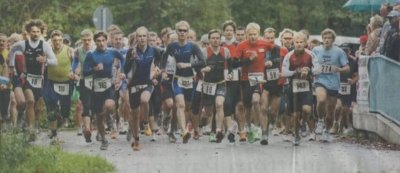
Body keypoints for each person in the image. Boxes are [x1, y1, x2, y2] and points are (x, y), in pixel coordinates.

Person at [8, 19, 57, 139]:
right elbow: (12, 50)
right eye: (33, 32)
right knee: (29, 101)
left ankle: (31, 124)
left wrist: (45, 60)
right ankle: (31, 130)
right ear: (28, 32)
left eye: (38, 32)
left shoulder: (44, 45)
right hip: (27, 78)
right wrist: (11, 66)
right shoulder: (23, 44)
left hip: (40, 79)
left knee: (37, 107)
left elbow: (55, 61)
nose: (35, 34)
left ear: (41, 33)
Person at [161, 21, 205, 144]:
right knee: (180, 105)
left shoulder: (193, 46)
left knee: (187, 107)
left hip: (191, 80)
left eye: (184, 30)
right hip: (177, 79)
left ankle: (173, 129)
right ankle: (184, 131)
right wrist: (163, 70)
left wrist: (188, 64)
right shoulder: (172, 46)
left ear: (187, 32)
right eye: (180, 30)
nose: (182, 32)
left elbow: (203, 62)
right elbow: (164, 57)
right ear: (176, 31)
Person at [83, 31, 124, 150]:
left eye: (103, 41)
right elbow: (85, 72)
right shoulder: (91, 55)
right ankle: (104, 140)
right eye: (98, 41)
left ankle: (109, 119)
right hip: (96, 88)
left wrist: (122, 73)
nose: (101, 43)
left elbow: (123, 60)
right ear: (95, 42)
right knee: (99, 116)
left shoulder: (112, 52)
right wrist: (94, 69)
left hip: (108, 85)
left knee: (110, 105)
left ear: (107, 41)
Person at [124, 26, 161, 151]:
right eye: (139, 36)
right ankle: (136, 139)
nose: (142, 38)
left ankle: (145, 122)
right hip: (134, 84)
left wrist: (157, 69)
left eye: (144, 36)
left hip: (147, 83)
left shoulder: (154, 50)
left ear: (147, 37)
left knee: (145, 100)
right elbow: (125, 69)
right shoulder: (131, 51)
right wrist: (130, 60)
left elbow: (161, 60)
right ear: (136, 38)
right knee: (134, 115)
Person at [236, 23, 273, 143]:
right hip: (246, 79)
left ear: (259, 34)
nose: (253, 37)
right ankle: (248, 125)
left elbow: (277, 50)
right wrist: (248, 60)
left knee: (256, 101)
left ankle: (260, 130)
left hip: (260, 79)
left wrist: (270, 61)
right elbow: (234, 63)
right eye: (250, 34)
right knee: (247, 106)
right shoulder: (242, 45)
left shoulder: (264, 43)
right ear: (246, 35)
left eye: (255, 34)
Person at [312, 28, 349, 142]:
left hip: (333, 83)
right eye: (325, 38)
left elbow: (347, 68)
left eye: (329, 38)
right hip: (320, 80)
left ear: (333, 40)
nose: (327, 40)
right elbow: (310, 63)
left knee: (331, 110)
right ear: (322, 39)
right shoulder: (316, 50)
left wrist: (339, 69)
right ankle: (320, 121)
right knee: (321, 100)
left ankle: (327, 131)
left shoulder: (339, 52)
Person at [282, 32, 319, 145]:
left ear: (306, 43)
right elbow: (284, 72)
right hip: (293, 87)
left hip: (306, 86)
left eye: (301, 42)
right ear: (293, 43)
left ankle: (304, 124)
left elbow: (318, 69)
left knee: (307, 110)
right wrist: (295, 72)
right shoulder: (289, 55)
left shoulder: (310, 54)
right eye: (296, 42)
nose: (298, 44)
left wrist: (309, 71)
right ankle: (296, 135)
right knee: (295, 114)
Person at [44, 30, 76, 141]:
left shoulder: (69, 50)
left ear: (63, 40)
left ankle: (62, 119)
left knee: (65, 108)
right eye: (55, 40)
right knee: (51, 105)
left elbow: (76, 64)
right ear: (51, 41)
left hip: (66, 82)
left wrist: (74, 73)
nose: (57, 43)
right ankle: (53, 130)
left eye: (59, 40)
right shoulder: (48, 51)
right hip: (51, 82)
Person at [261, 27, 288, 140]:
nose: (270, 40)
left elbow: (285, 65)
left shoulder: (282, 50)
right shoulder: (260, 49)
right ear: (263, 38)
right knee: (264, 108)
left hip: (277, 83)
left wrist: (283, 75)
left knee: (273, 112)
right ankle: (264, 133)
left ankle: (272, 123)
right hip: (264, 83)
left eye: (272, 38)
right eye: (267, 38)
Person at [72, 29, 94, 142]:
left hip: (96, 81)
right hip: (84, 80)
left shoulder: (96, 50)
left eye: (89, 40)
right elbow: (75, 63)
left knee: (96, 105)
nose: (87, 42)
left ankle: (97, 128)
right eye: (85, 40)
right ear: (81, 40)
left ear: (92, 39)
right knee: (86, 104)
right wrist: (74, 71)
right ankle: (87, 129)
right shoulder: (77, 51)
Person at [0, 33, 11, 129]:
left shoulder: (9, 54)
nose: (1, 42)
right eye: (0, 40)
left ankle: (3, 129)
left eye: (3, 40)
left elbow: (8, 69)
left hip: (6, 85)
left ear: (7, 43)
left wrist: (3, 83)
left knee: (4, 109)